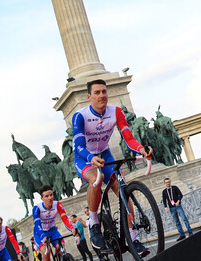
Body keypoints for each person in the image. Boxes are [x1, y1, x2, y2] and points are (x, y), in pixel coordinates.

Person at [73, 79, 153, 257]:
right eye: (97, 92)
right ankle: (94, 222)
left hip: (104, 153)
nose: (102, 95)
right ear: (89, 96)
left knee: (122, 187)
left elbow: (128, 137)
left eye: (104, 92)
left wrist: (141, 149)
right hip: (84, 157)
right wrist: (90, 158)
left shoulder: (115, 111)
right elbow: (78, 146)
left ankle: (133, 239)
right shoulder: (80, 116)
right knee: (97, 179)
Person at [32, 185, 73, 261]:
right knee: (46, 253)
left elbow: (65, 219)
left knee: (62, 249)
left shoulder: (57, 204)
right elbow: (37, 225)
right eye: (46, 196)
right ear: (42, 198)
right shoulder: (37, 208)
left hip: (53, 231)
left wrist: (73, 229)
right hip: (40, 234)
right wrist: (43, 236)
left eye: (51, 195)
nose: (50, 198)